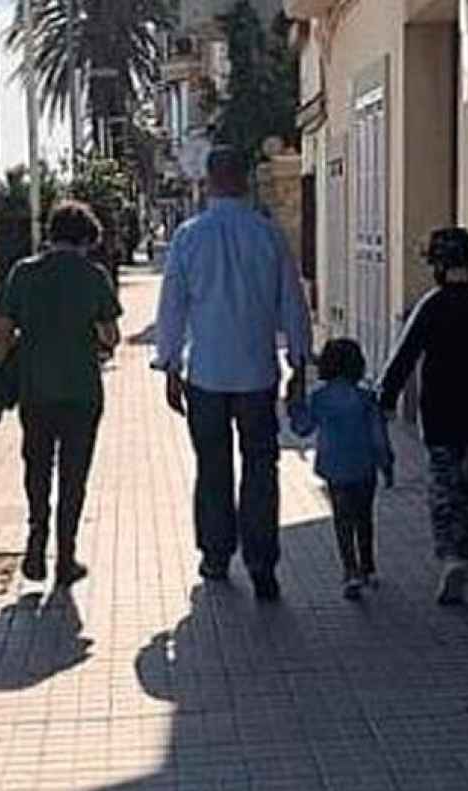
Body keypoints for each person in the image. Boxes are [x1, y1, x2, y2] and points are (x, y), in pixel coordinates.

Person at [153, 146, 312, 602]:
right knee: (262, 466)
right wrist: (299, 361)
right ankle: (262, 562)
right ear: (245, 180)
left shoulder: (189, 237)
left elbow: (173, 307)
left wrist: (169, 365)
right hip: (257, 373)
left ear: (208, 180)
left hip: (206, 373)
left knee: (213, 466)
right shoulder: (268, 235)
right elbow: (292, 303)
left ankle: (216, 554)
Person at [379, 226, 468, 606]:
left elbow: (404, 357)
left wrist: (384, 399)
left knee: (444, 488)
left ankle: (450, 557)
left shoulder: (433, 305)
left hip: (441, 413)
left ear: (440, 266)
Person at [0, 201, 123, 585]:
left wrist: (16, 356)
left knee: (36, 466)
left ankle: (36, 541)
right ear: (86, 238)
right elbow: (110, 334)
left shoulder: (24, 273)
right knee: (73, 473)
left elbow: (1, 330)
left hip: (36, 388)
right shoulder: (94, 275)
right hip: (82, 391)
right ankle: (66, 557)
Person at [289, 338, 395, 600]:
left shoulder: (319, 398)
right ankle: (368, 564)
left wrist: (293, 403)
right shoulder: (366, 398)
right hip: (364, 467)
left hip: (334, 468)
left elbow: (302, 428)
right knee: (364, 517)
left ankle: (350, 571)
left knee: (342, 520)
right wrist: (387, 464)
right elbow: (378, 436)